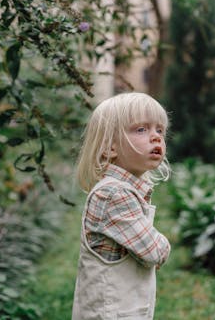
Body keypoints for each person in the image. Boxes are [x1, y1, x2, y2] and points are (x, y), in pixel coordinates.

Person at [72, 92, 171, 320]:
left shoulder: (121, 190)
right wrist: (164, 245)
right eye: (141, 129)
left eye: (160, 130)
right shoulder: (114, 194)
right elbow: (153, 252)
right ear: (110, 147)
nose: (156, 137)